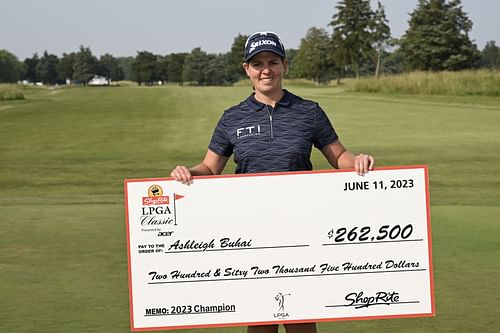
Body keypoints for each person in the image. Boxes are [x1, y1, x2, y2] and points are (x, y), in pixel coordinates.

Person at [170, 31, 375, 333]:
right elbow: (210, 168)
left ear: (284, 66)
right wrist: (187, 172)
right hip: (252, 231)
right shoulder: (232, 118)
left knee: (302, 320)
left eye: (273, 62)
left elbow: (339, 155)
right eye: (258, 64)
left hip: (301, 229)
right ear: (247, 70)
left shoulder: (309, 112)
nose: (266, 70)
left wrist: (356, 160)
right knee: (261, 321)